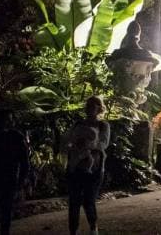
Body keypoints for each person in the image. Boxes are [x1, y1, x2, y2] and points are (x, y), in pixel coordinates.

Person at [65, 96, 110, 235]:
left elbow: (103, 144)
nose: (89, 108)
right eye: (88, 105)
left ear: (99, 108)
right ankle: (73, 230)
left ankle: (93, 227)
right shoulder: (78, 124)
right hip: (75, 166)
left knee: (89, 200)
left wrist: (88, 144)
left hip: (94, 168)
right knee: (74, 202)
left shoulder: (103, 125)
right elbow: (69, 140)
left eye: (93, 105)